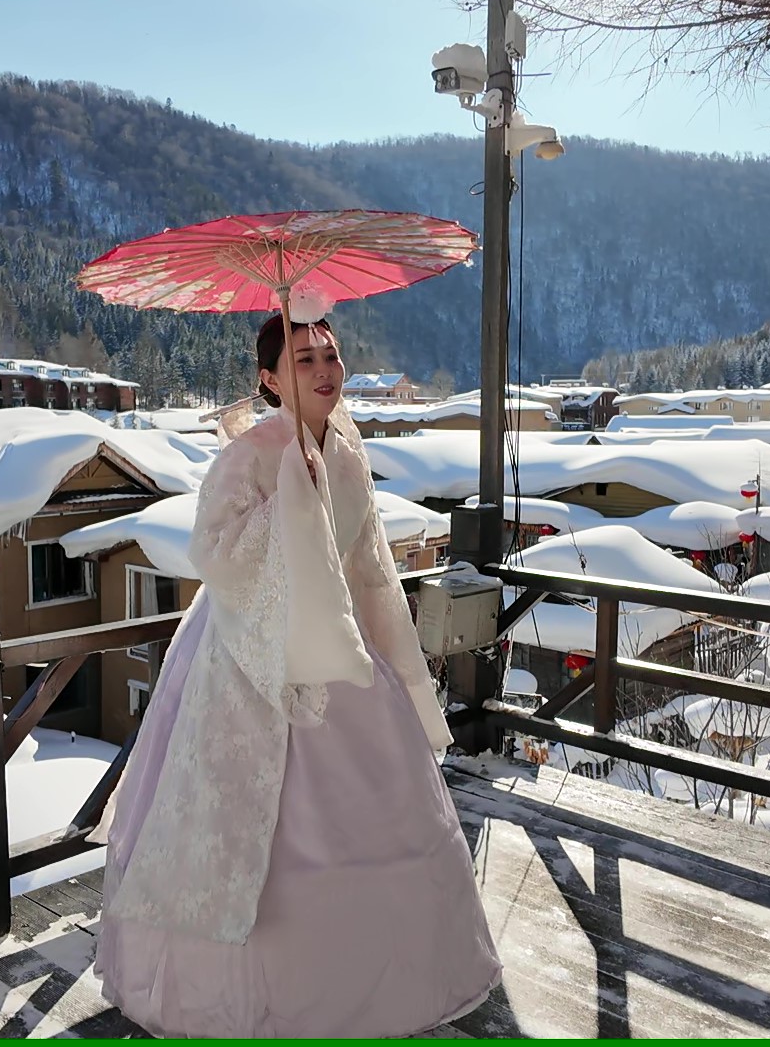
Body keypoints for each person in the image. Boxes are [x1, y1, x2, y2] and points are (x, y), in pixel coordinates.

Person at [91, 312, 502, 1037]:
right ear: (270, 378)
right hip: (242, 667)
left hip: (342, 660)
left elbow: (369, 564)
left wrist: (390, 656)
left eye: (331, 356)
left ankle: (374, 984)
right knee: (244, 833)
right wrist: (288, 501)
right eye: (304, 357)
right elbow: (214, 553)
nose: (323, 371)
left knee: (374, 818)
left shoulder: (346, 448)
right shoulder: (250, 454)